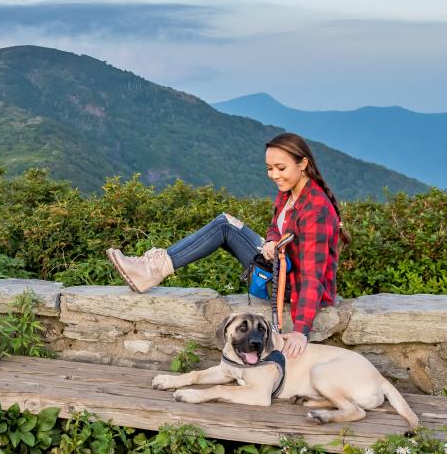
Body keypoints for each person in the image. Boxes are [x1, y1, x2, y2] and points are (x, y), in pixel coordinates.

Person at [105, 132, 346, 359]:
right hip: (280, 266)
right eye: (270, 168)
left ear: (302, 163)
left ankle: (151, 271)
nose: (274, 175)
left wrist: (301, 330)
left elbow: (313, 276)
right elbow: (275, 225)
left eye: (281, 168)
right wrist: (272, 241)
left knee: (224, 226)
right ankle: (152, 269)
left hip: (292, 286)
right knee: (226, 223)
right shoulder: (289, 191)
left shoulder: (316, 209)